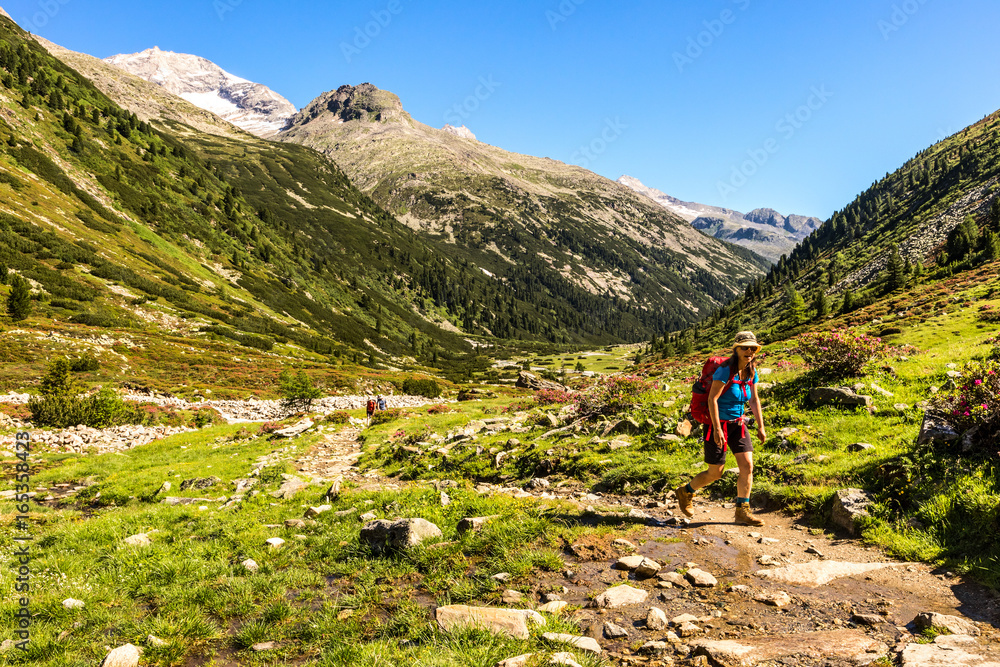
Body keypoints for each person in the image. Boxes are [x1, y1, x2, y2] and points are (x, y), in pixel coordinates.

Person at [675, 331, 768, 526]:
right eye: (745, 347)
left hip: (738, 424)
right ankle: (686, 492)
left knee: (747, 466)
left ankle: (742, 511)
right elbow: (712, 399)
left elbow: (753, 399)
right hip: (716, 425)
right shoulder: (725, 370)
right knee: (716, 472)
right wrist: (717, 429)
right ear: (736, 349)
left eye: (753, 348)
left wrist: (761, 426)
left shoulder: (751, 370)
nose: (749, 351)